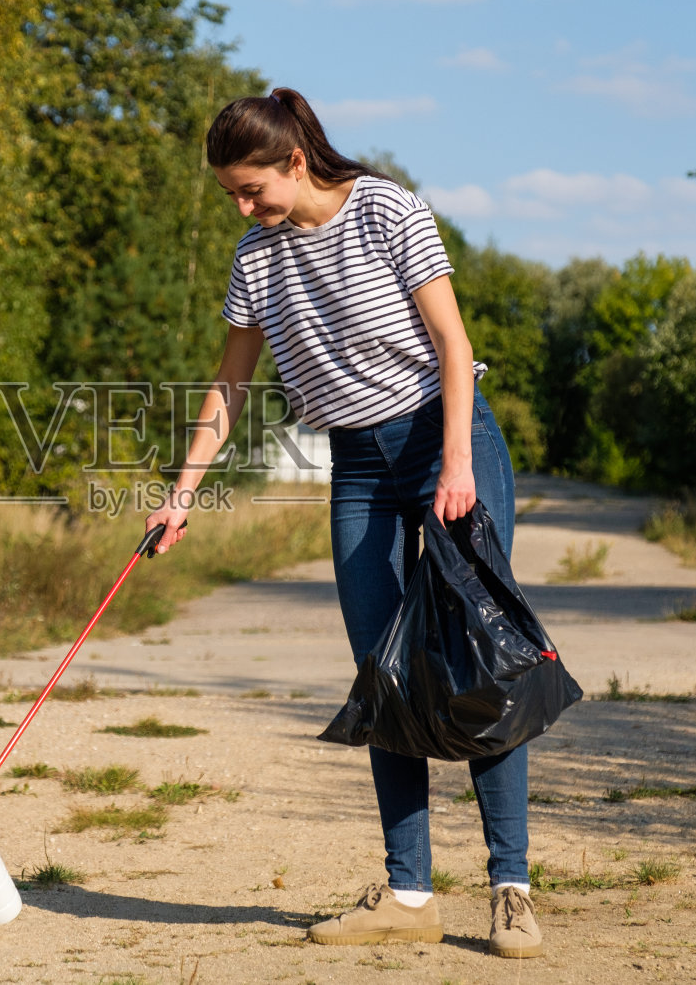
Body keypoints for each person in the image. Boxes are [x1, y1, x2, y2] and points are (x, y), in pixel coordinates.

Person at [142, 88, 541, 959]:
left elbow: (451, 341)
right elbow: (230, 385)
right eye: (230, 198)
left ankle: (510, 888)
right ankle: (409, 894)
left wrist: (460, 464)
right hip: (358, 463)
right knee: (384, 675)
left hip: (448, 438)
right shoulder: (257, 257)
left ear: (294, 160)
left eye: (252, 190)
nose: (244, 210)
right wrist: (183, 491)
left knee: (477, 663)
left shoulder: (389, 211)